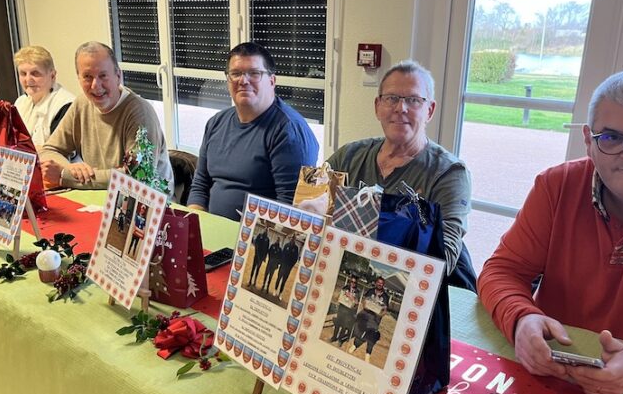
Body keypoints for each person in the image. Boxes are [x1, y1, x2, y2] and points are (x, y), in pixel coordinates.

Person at [478, 68, 623, 394]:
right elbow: (501, 272)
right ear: (590, 142)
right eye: (611, 137)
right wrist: (522, 318)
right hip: (548, 378)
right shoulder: (556, 186)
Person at [326, 60, 471, 274]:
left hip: (411, 293)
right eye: (391, 98)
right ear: (377, 106)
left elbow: (444, 261)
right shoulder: (347, 157)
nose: (400, 108)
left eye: (413, 100)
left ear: (429, 110)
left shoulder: (449, 173)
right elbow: (312, 221)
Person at [186, 42, 319, 220]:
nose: (243, 80)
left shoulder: (288, 131)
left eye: (254, 73)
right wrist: (195, 227)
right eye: (235, 74)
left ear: (272, 81)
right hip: (210, 233)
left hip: (255, 242)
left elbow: (290, 209)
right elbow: (200, 185)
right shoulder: (215, 123)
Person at [40, 41, 172, 191]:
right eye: (87, 77)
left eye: (103, 76)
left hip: (147, 204)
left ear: (118, 76)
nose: (96, 85)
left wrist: (67, 176)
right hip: (100, 196)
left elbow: (138, 176)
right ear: (79, 78)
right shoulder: (81, 104)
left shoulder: (140, 113)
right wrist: (71, 169)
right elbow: (49, 150)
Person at [0, 46, 75, 150]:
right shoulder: (21, 102)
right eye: (23, 73)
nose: (28, 80)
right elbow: (9, 140)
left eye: (35, 73)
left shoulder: (66, 105)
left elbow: (55, 151)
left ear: (53, 75)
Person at [348, 276, 390, 362]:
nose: (379, 284)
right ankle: (355, 346)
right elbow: (364, 300)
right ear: (376, 283)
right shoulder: (370, 291)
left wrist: (380, 314)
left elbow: (385, 310)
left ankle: (367, 355)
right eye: (378, 282)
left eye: (381, 283)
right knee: (360, 332)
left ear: (383, 285)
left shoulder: (385, 296)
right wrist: (365, 306)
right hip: (365, 316)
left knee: (371, 337)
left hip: (375, 319)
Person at [330, 274, 360, 346]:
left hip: (349, 311)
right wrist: (338, 297)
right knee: (337, 324)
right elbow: (340, 296)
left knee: (344, 326)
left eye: (354, 282)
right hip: (341, 308)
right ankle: (334, 337)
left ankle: (340, 340)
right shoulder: (345, 287)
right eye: (351, 281)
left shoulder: (357, 292)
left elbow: (356, 302)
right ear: (350, 281)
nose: (352, 283)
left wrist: (350, 296)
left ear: (356, 283)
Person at [274, 234, 300, 299]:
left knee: (284, 281)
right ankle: (275, 290)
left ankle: (280, 293)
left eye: (294, 238)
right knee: (278, 279)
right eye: (292, 238)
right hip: (282, 266)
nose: (292, 239)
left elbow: (295, 259)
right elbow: (282, 255)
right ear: (290, 238)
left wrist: (290, 267)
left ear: (295, 239)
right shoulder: (286, 245)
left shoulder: (296, 248)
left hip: (288, 268)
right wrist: (280, 263)